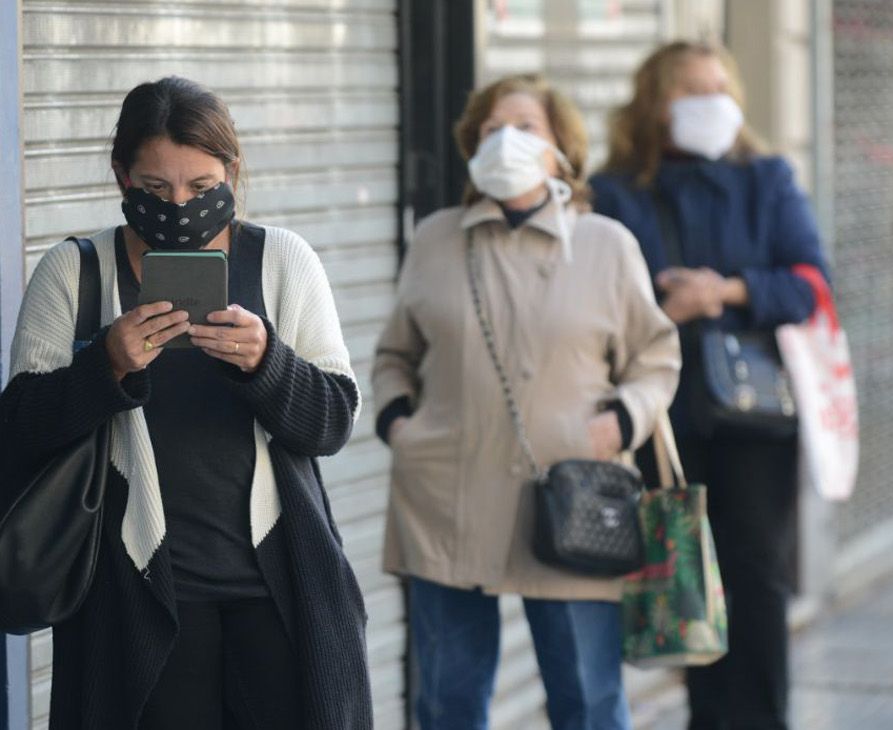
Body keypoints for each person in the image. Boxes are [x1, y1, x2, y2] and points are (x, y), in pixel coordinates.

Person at [0, 77, 370, 728]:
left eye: (200, 189)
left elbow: (333, 420)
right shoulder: (77, 271)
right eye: (154, 190)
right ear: (120, 176)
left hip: (279, 592)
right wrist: (105, 365)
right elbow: (20, 426)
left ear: (231, 171)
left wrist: (267, 363)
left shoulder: (281, 260)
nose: (177, 206)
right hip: (135, 591)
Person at [373, 74, 680, 730]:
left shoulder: (606, 244)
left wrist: (623, 419)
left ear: (561, 150)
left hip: (576, 494)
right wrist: (399, 420)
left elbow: (657, 359)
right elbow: (395, 355)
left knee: (589, 702)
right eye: (490, 130)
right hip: (445, 494)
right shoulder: (435, 239)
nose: (505, 140)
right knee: (446, 702)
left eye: (525, 127)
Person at [590, 41, 829, 730]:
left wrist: (723, 291)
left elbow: (809, 286)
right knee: (680, 577)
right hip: (661, 415)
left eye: (720, 88)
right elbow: (599, 304)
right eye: (691, 90)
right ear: (656, 104)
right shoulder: (615, 191)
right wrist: (670, 309)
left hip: (755, 416)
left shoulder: (768, 178)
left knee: (756, 577)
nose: (711, 103)